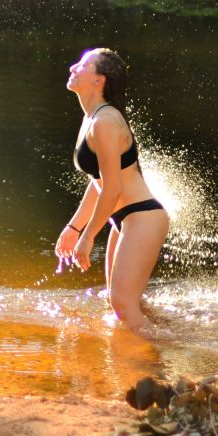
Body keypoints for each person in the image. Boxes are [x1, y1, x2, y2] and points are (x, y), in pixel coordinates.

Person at [54, 48, 169, 331]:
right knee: (120, 306)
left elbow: (113, 188)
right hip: (125, 220)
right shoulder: (91, 118)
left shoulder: (104, 121)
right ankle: (152, 345)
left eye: (82, 65)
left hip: (142, 217)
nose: (72, 68)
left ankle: (167, 356)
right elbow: (100, 183)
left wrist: (88, 236)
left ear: (99, 80)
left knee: (123, 305)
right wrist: (74, 227)